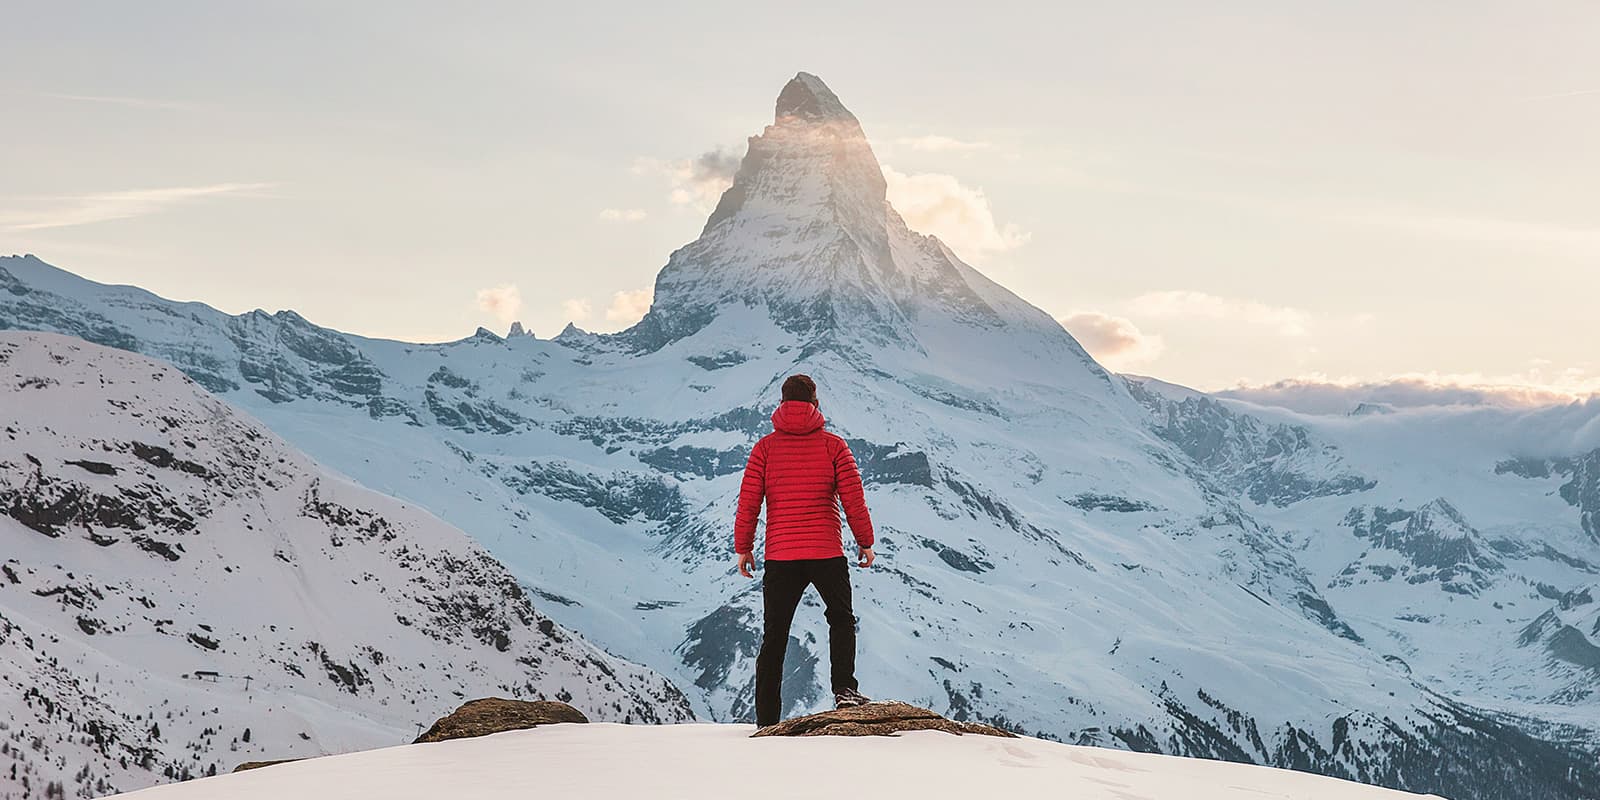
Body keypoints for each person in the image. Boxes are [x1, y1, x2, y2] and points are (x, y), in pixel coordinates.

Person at [735, 373, 876, 727]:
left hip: (781, 555)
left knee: (775, 635)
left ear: (782, 403)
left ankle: (767, 719)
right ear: (815, 403)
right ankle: (844, 690)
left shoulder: (764, 448)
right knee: (840, 618)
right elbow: (853, 499)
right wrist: (865, 542)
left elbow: (749, 502)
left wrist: (744, 547)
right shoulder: (834, 446)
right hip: (826, 551)